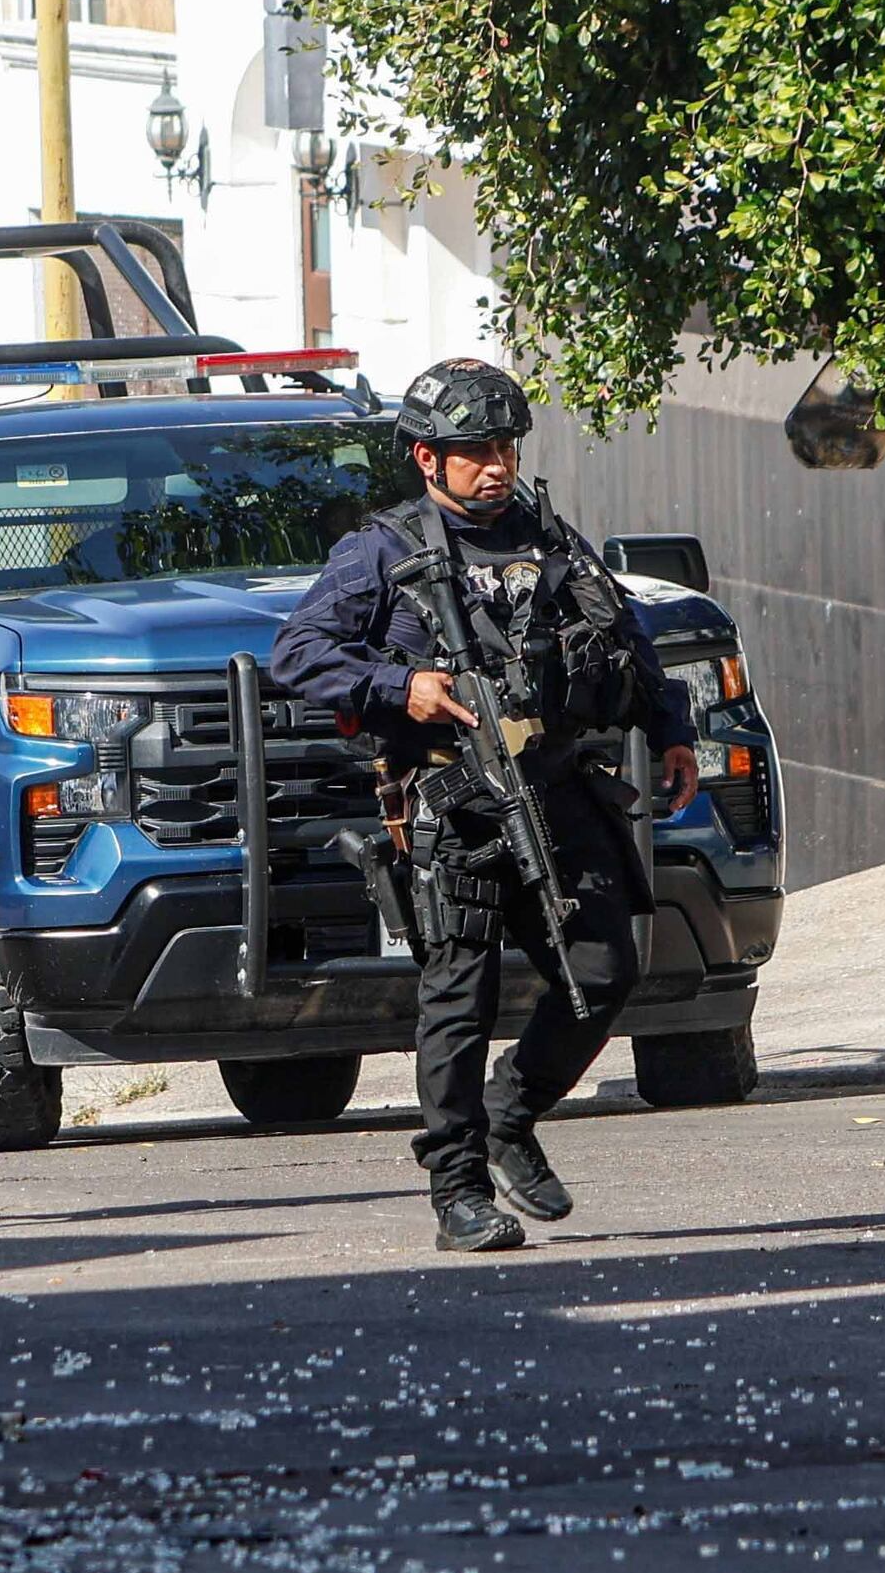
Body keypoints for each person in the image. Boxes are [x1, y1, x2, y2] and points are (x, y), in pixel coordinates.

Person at [272, 357, 699, 1254]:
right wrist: (400, 685)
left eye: (505, 446)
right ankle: (458, 1185)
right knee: (457, 1000)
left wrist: (671, 731)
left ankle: (511, 1113)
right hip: (450, 801)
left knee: (605, 968)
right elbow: (298, 653)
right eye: (475, 451)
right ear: (428, 458)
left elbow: (624, 635)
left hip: (557, 786)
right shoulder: (382, 549)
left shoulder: (551, 536)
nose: (496, 464)